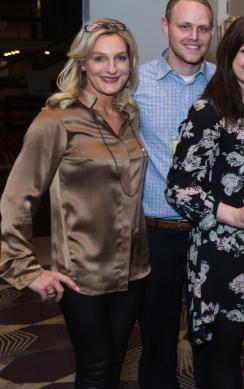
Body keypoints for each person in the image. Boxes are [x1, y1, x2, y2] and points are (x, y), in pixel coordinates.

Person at [0, 19, 149, 387]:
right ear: (83, 64)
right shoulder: (56, 120)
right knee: (95, 369)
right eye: (99, 58)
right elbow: (16, 198)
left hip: (134, 271)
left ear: (130, 63)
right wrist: (26, 269)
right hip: (83, 275)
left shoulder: (130, 115)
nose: (111, 68)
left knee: (116, 361)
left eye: (120, 58)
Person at [166, 16, 244, 389]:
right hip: (224, 249)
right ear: (228, 54)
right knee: (225, 352)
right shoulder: (209, 111)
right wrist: (234, 215)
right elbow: (179, 186)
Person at [135, 0, 215, 388]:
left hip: (214, 231)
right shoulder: (135, 83)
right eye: (185, 26)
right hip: (158, 232)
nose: (194, 37)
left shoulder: (225, 82)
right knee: (157, 337)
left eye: (203, 28)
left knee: (214, 337)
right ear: (166, 27)